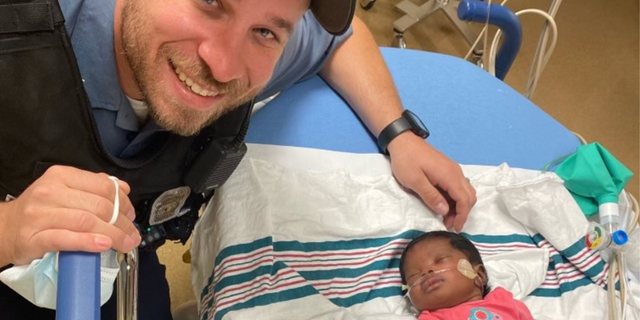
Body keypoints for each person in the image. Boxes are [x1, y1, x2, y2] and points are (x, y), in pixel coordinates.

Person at [0, 0, 476, 318]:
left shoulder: (253, 35)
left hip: (125, 253)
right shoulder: (20, 34)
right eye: (210, 0)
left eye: (266, 31)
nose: (223, 66)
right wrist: (10, 229)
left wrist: (399, 135)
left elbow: (342, 37)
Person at [399, 231, 534, 320]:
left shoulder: (503, 301)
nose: (426, 272)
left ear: (478, 275)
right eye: (414, 275)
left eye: (441, 260)